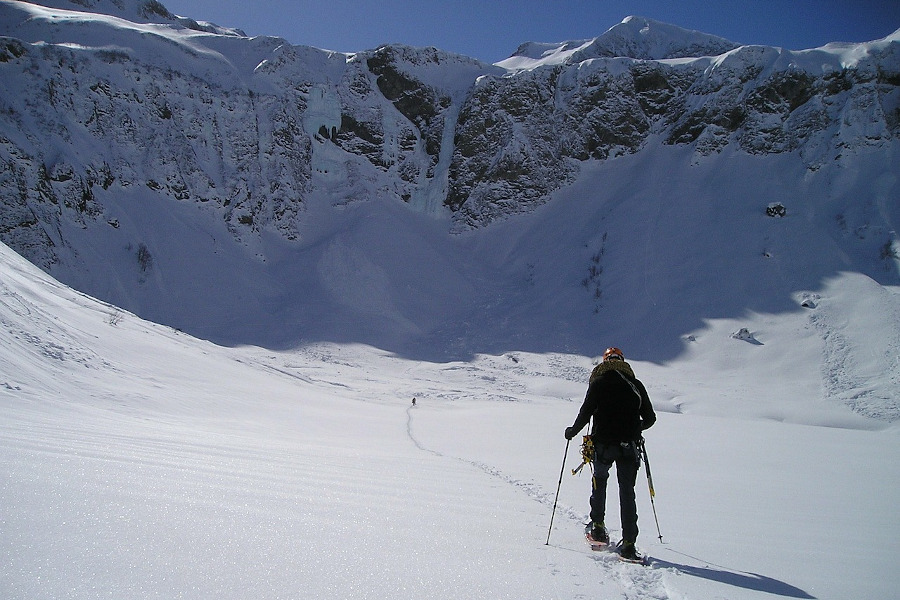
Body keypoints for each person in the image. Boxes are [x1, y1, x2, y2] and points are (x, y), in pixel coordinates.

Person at [565, 347, 656, 561]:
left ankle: (597, 527)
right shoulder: (636, 385)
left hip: (603, 445)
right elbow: (650, 418)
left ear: (604, 362)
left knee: (599, 482)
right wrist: (635, 428)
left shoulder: (598, 383)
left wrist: (571, 432)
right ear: (623, 361)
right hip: (629, 447)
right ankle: (629, 544)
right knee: (627, 492)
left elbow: (585, 413)